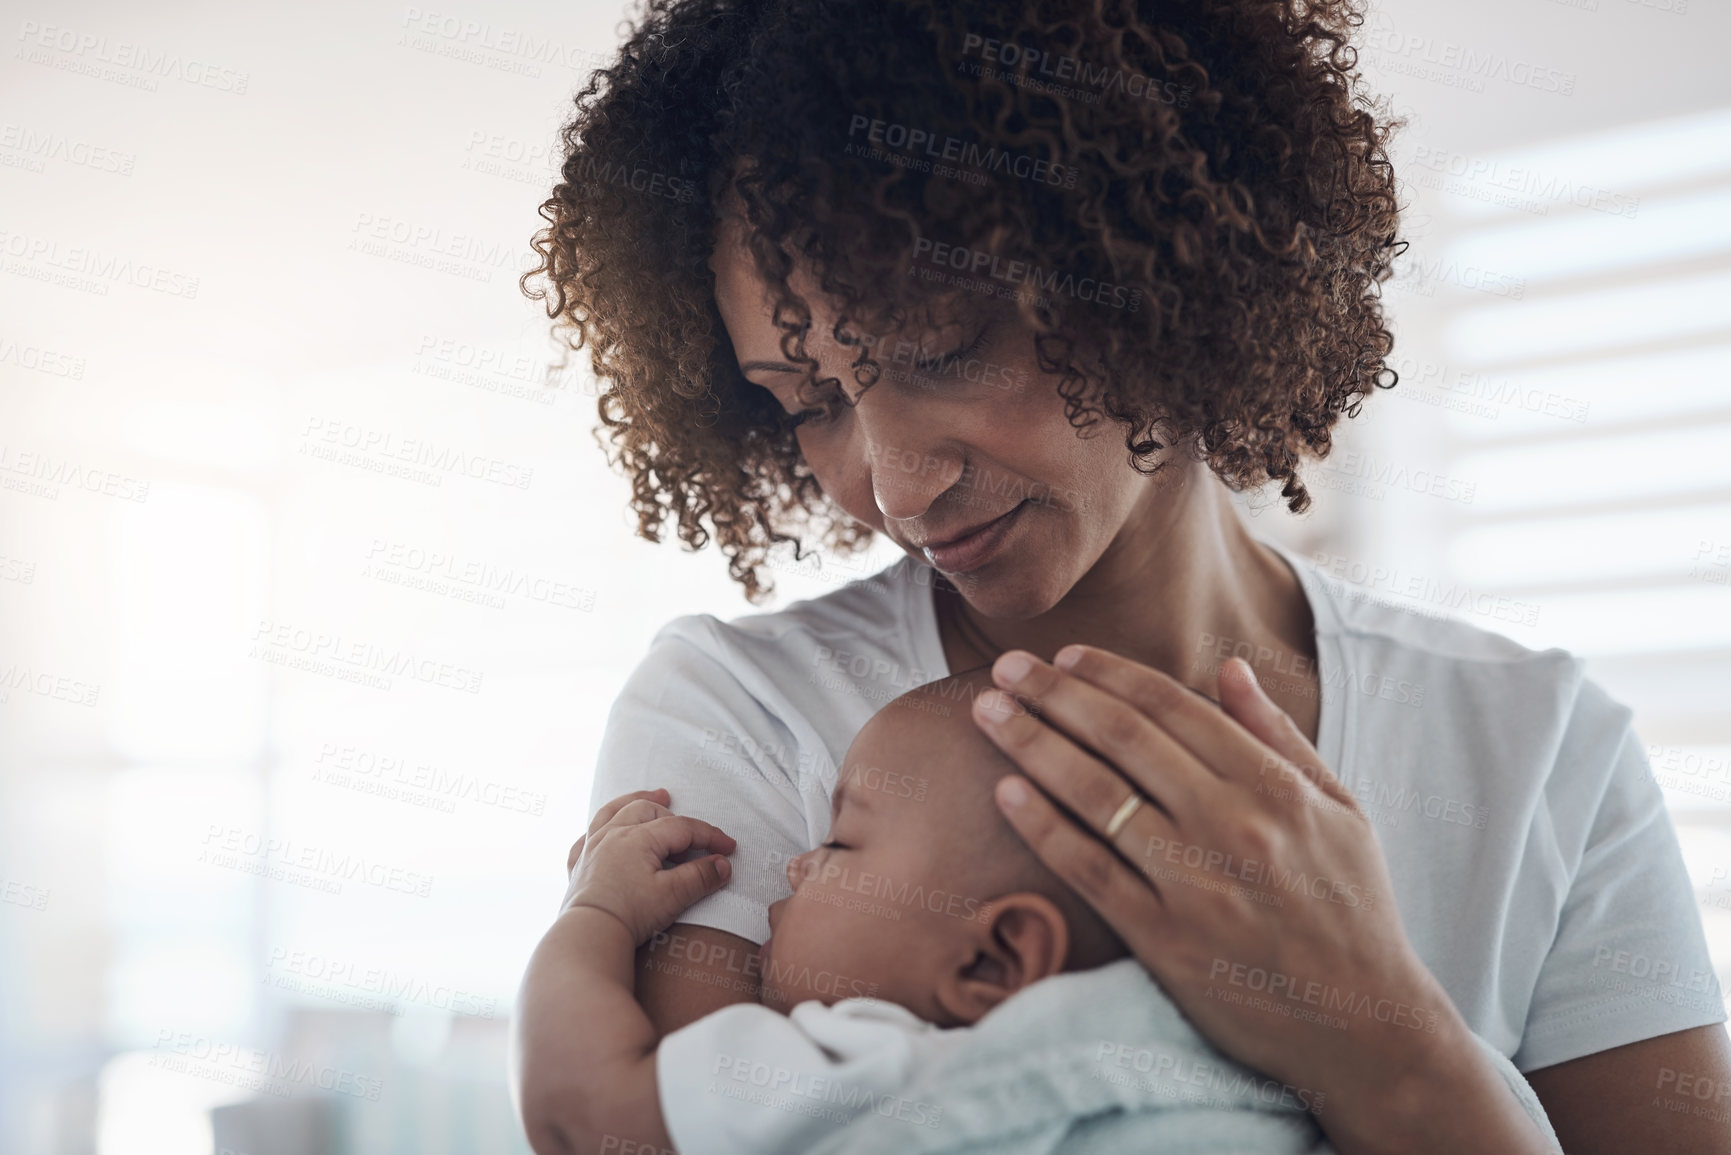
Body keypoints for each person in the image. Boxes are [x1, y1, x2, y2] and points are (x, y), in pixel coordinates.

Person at [513, 1, 1731, 1151]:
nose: (893, 488)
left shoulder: (1534, 746)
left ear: (1158, 273)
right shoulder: (742, 713)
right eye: (808, 405)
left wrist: (1384, 1038)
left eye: (943, 348)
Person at [513, 668, 1561, 1154]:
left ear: (996, 960)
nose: (793, 872)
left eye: (838, 844)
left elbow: (581, 1114)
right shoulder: (1302, 1075)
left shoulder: (878, 1067)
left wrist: (596, 909)